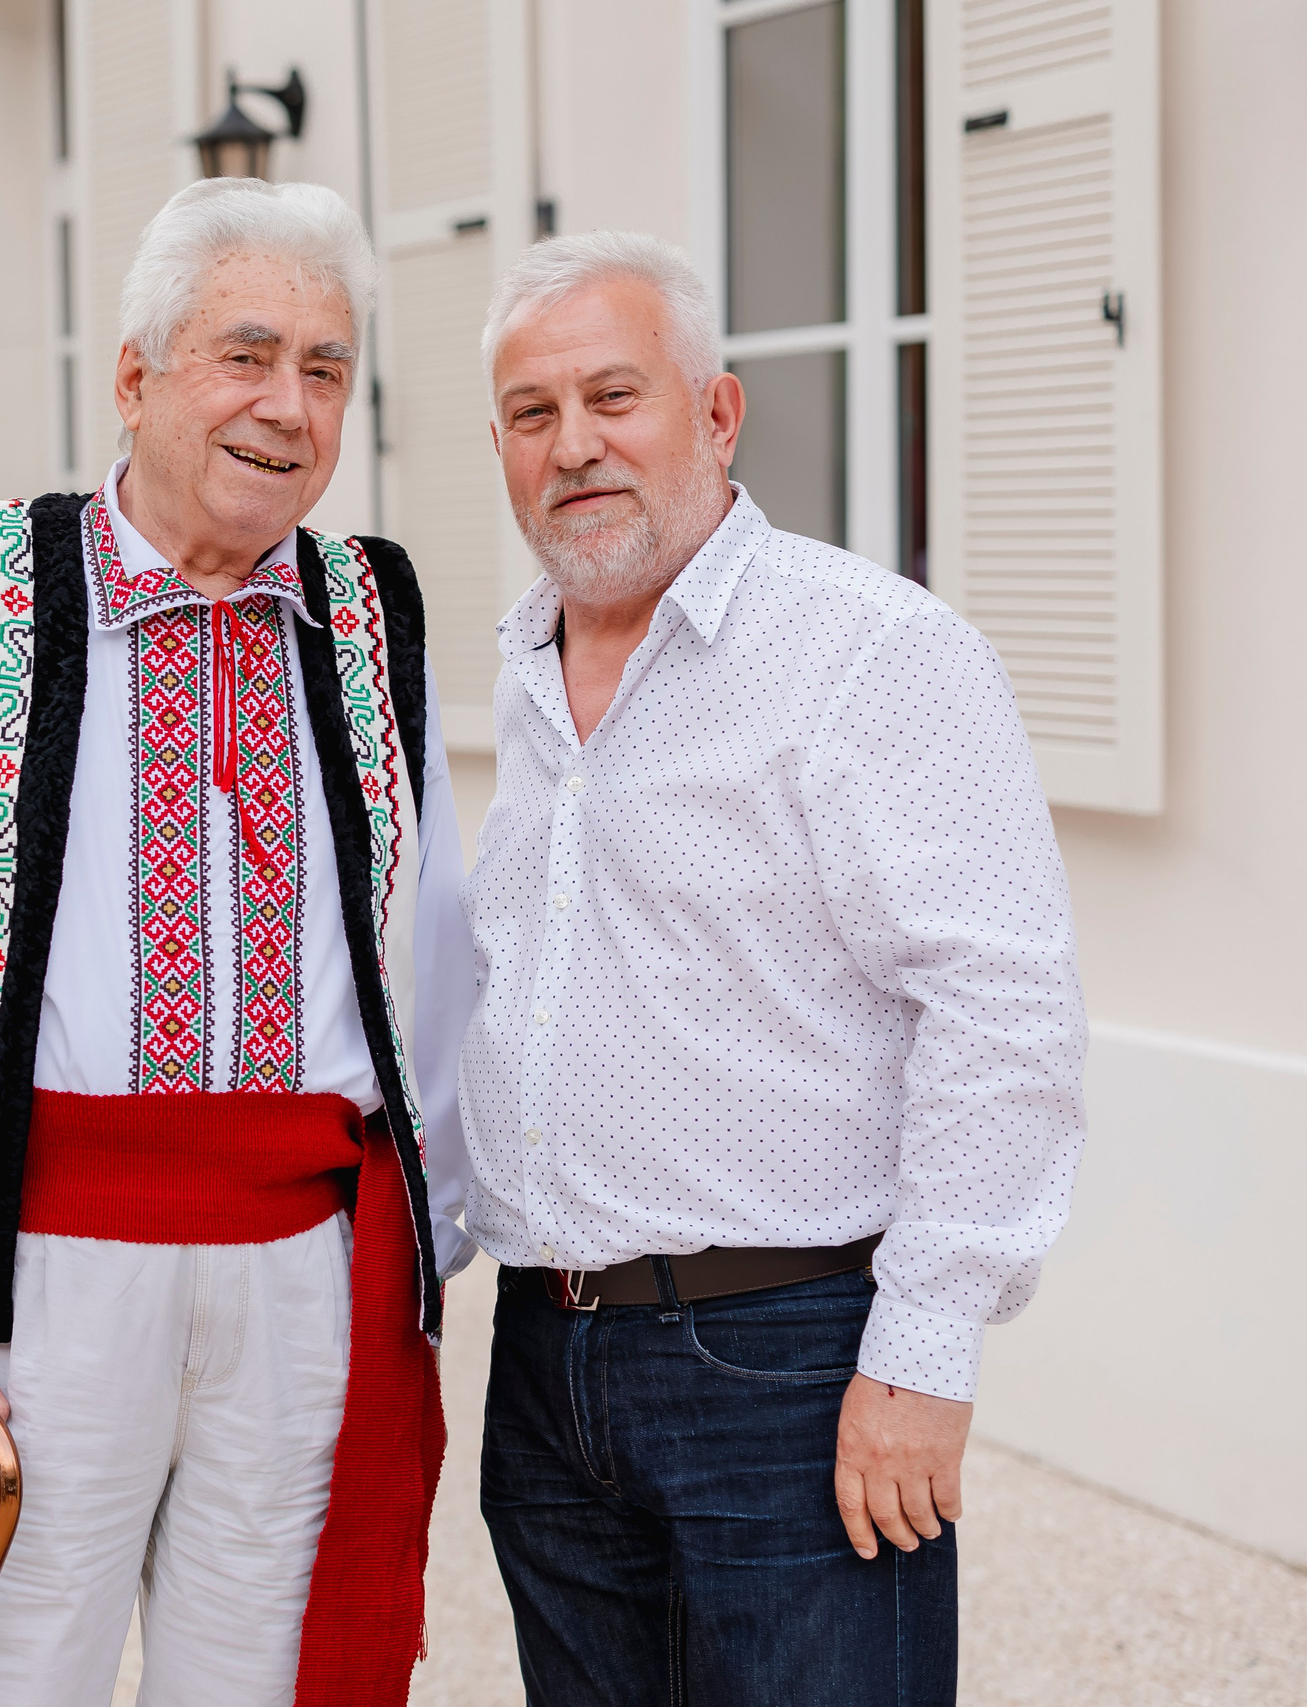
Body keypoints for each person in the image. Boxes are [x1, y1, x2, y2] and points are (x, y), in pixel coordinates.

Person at [0, 176, 479, 1706]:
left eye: (326, 370)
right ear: (134, 379)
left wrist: (423, 1246)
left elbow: (437, 961)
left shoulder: (371, 614)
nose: (289, 405)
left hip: (298, 1292)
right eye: (244, 355)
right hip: (18, 1283)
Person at [458, 230, 1087, 1706]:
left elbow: (1003, 1012)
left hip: (787, 1364)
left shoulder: (873, 653)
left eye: (617, 396)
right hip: (550, 1366)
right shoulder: (524, 670)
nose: (576, 447)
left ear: (717, 414)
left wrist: (925, 1353)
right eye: (534, 415)